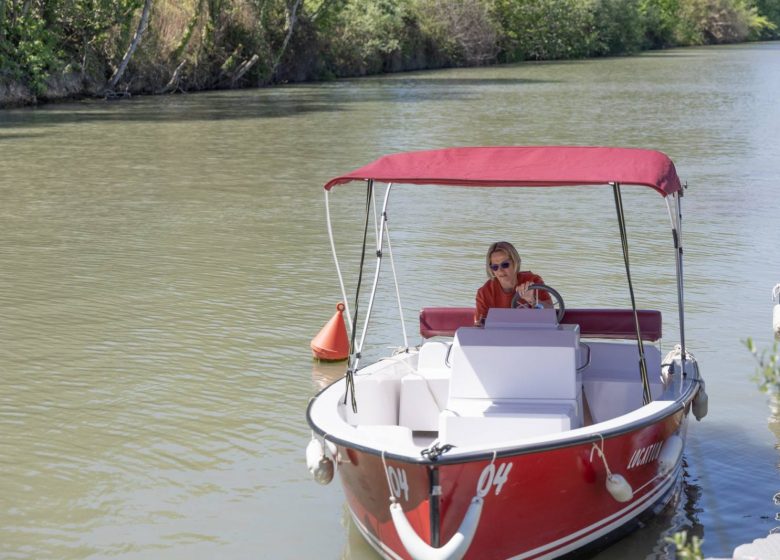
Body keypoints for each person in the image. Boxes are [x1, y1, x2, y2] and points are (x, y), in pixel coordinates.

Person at [474, 241, 552, 326]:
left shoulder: (533, 281)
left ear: (515, 262)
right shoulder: (484, 292)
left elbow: (551, 314)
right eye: (495, 267)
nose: (500, 270)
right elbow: (479, 326)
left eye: (505, 265)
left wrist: (533, 301)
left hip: (533, 332)